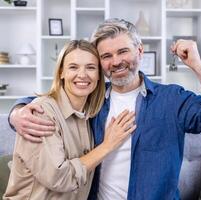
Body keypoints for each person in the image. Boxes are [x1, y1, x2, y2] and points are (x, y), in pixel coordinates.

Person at [8, 18, 201, 199]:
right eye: (106, 56)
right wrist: (16, 112)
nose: (116, 61)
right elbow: (51, 99)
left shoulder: (172, 100)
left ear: (139, 51)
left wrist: (197, 66)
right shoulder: (92, 99)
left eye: (123, 51)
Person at [3, 40, 136, 199]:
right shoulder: (41, 112)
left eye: (91, 67)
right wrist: (107, 146)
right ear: (61, 72)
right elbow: (60, 178)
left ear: (99, 76)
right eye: (73, 67)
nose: (82, 75)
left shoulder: (87, 114)